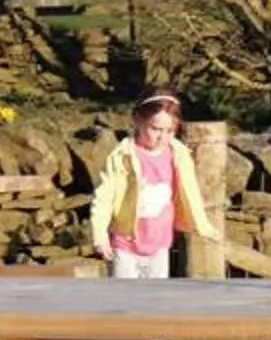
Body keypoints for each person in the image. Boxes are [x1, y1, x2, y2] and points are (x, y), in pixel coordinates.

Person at [90, 89, 220, 281]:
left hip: (160, 246)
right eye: (155, 129)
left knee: (155, 300)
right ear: (137, 120)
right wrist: (99, 235)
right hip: (126, 245)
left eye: (169, 131)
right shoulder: (121, 156)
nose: (162, 137)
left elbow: (190, 194)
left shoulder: (179, 155)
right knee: (124, 301)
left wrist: (203, 226)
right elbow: (104, 197)